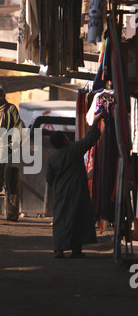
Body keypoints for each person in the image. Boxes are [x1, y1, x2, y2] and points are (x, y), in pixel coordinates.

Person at [46, 111, 104, 258]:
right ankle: (76, 251)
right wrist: (95, 121)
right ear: (65, 140)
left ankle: (59, 249)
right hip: (76, 191)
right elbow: (91, 139)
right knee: (77, 219)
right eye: (66, 137)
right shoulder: (75, 149)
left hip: (60, 193)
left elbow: (49, 178)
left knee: (61, 220)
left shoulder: (52, 158)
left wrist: (58, 186)